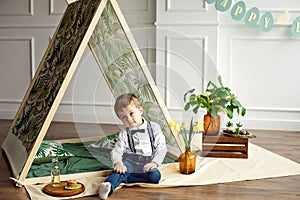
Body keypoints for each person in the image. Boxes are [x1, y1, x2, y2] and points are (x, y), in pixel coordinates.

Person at [98, 93, 167, 200]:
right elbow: (117, 150)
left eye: (131, 113)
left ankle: (126, 178)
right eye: (124, 117)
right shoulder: (124, 134)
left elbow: (161, 148)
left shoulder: (154, 128)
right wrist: (118, 163)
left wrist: (154, 162)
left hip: (147, 162)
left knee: (155, 176)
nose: (129, 119)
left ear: (140, 111)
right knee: (119, 171)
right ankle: (108, 186)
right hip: (130, 161)